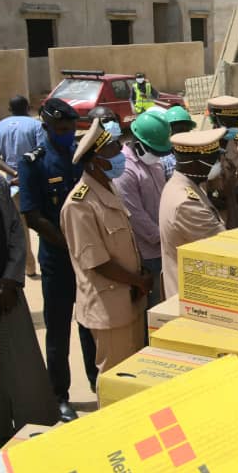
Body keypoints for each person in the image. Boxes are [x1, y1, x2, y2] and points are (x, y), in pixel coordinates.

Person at [0, 129, 59, 460]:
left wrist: (9, 279)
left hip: (9, 292)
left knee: (20, 366)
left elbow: (15, 234)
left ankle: (31, 431)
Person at [18, 98, 97, 422]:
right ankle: (59, 395)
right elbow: (33, 215)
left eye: (71, 129)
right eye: (62, 130)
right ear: (47, 128)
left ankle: (96, 381)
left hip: (86, 257)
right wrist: (69, 244)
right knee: (59, 328)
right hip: (57, 259)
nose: (67, 134)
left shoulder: (79, 155)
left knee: (90, 322)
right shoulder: (33, 163)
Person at [61, 119, 149, 377]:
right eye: (112, 151)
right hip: (108, 306)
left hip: (130, 298)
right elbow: (97, 261)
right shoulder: (79, 204)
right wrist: (139, 280)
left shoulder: (108, 189)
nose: (120, 155)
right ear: (96, 161)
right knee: (114, 376)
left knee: (133, 375)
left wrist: (139, 279)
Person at [159, 128, 234, 298]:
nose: (220, 165)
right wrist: (230, 195)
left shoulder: (184, 185)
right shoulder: (186, 202)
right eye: (214, 159)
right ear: (195, 162)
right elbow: (229, 250)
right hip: (194, 297)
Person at [115, 113, 172, 309]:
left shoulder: (154, 162)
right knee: (155, 309)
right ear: (138, 143)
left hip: (164, 246)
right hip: (147, 253)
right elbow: (136, 217)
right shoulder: (124, 169)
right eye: (154, 151)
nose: (158, 155)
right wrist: (165, 234)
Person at [0, 95, 46, 277]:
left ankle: (29, 268)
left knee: (20, 231)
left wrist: (14, 174)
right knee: (44, 226)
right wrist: (26, 173)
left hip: (11, 186)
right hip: (35, 184)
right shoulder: (36, 125)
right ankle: (47, 266)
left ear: (9, 108)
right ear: (28, 107)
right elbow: (43, 150)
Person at [206, 95, 238, 227]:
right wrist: (211, 198)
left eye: (237, 122)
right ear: (215, 118)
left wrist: (230, 197)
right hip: (210, 216)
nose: (235, 127)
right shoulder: (201, 146)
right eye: (229, 122)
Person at [159, 106, 196, 181]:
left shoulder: (196, 152)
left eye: (186, 131)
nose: (182, 135)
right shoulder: (163, 161)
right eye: (178, 131)